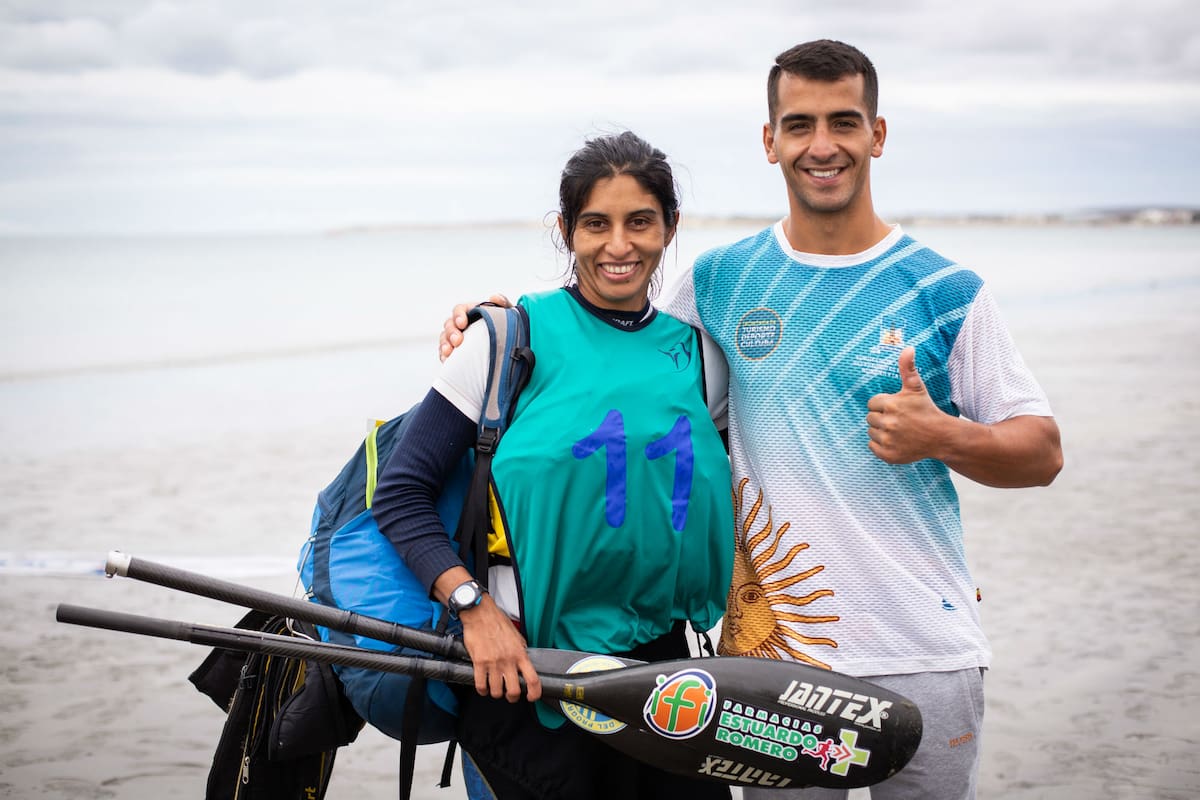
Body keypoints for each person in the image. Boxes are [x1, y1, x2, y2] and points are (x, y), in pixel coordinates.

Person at [440, 40, 1063, 800]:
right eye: (799, 124)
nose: (822, 145)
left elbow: (1042, 450)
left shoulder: (945, 289)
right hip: (769, 667)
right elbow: (609, 351)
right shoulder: (720, 281)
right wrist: (500, 325)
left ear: (879, 134)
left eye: (844, 121)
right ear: (770, 141)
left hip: (923, 645)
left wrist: (946, 437)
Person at [371, 131, 735, 800]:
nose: (618, 245)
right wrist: (471, 608)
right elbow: (400, 494)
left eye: (640, 222)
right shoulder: (509, 341)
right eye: (595, 223)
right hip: (522, 671)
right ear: (567, 231)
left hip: (664, 678)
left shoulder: (701, 360)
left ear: (670, 228)